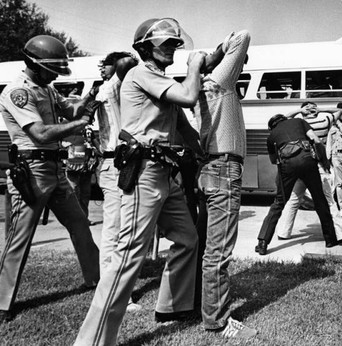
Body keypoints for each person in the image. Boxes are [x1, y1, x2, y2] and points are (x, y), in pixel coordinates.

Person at [74, 18, 206, 346]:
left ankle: (172, 307)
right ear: (146, 48)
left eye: (176, 44)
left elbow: (183, 128)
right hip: (143, 171)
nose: (173, 49)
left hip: (164, 171)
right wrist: (196, 66)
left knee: (187, 239)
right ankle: (91, 341)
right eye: (166, 44)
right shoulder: (141, 72)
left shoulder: (161, 81)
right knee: (128, 255)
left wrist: (203, 153)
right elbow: (189, 96)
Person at [0, 35, 100, 323]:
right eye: (51, 69)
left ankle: (94, 281)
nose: (56, 74)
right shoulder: (18, 92)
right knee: (20, 237)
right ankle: (3, 302)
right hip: (32, 171)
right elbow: (40, 134)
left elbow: (72, 109)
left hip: (55, 170)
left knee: (80, 223)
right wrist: (79, 124)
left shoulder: (47, 89)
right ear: (33, 64)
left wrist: (92, 97)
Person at [193, 29, 257, 339]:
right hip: (224, 168)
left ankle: (204, 307)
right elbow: (241, 35)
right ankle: (218, 321)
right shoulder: (220, 82)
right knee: (218, 253)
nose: (242, 65)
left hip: (209, 169)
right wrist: (216, 54)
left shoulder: (201, 90)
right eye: (241, 63)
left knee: (208, 247)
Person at [93, 51, 141, 312]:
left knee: (124, 227)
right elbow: (123, 66)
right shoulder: (112, 88)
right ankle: (113, 290)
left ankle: (116, 286)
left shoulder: (113, 89)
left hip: (121, 163)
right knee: (115, 229)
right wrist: (130, 63)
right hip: (115, 163)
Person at [255, 114, 340, 256]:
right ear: (284, 120)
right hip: (308, 160)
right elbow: (316, 139)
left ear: (272, 126)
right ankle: (330, 239)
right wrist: (324, 162)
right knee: (319, 199)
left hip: (288, 166)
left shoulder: (271, 136)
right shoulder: (299, 121)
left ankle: (263, 242)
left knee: (279, 203)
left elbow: (273, 160)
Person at [275, 101, 342, 245]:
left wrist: (299, 110)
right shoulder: (324, 121)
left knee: (294, 199)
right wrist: (319, 109)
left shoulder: (297, 124)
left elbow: (283, 118)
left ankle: (283, 232)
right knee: (328, 200)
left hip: (300, 166)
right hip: (317, 166)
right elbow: (338, 110)